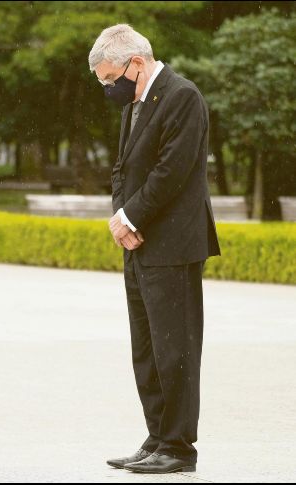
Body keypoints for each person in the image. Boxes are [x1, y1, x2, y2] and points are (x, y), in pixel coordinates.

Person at [88, 24, 221, 474]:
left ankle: (179, 447)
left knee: (175, 348)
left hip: (174, 245)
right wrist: (120, 219)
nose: (109, 88)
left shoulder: (182, 97)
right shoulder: (137, 102)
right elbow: (124, 169)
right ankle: (157, 436)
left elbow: (173, 170)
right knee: (146, 349)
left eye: (110, 79)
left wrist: (130, 217)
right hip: (140, 244)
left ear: (136, 63)